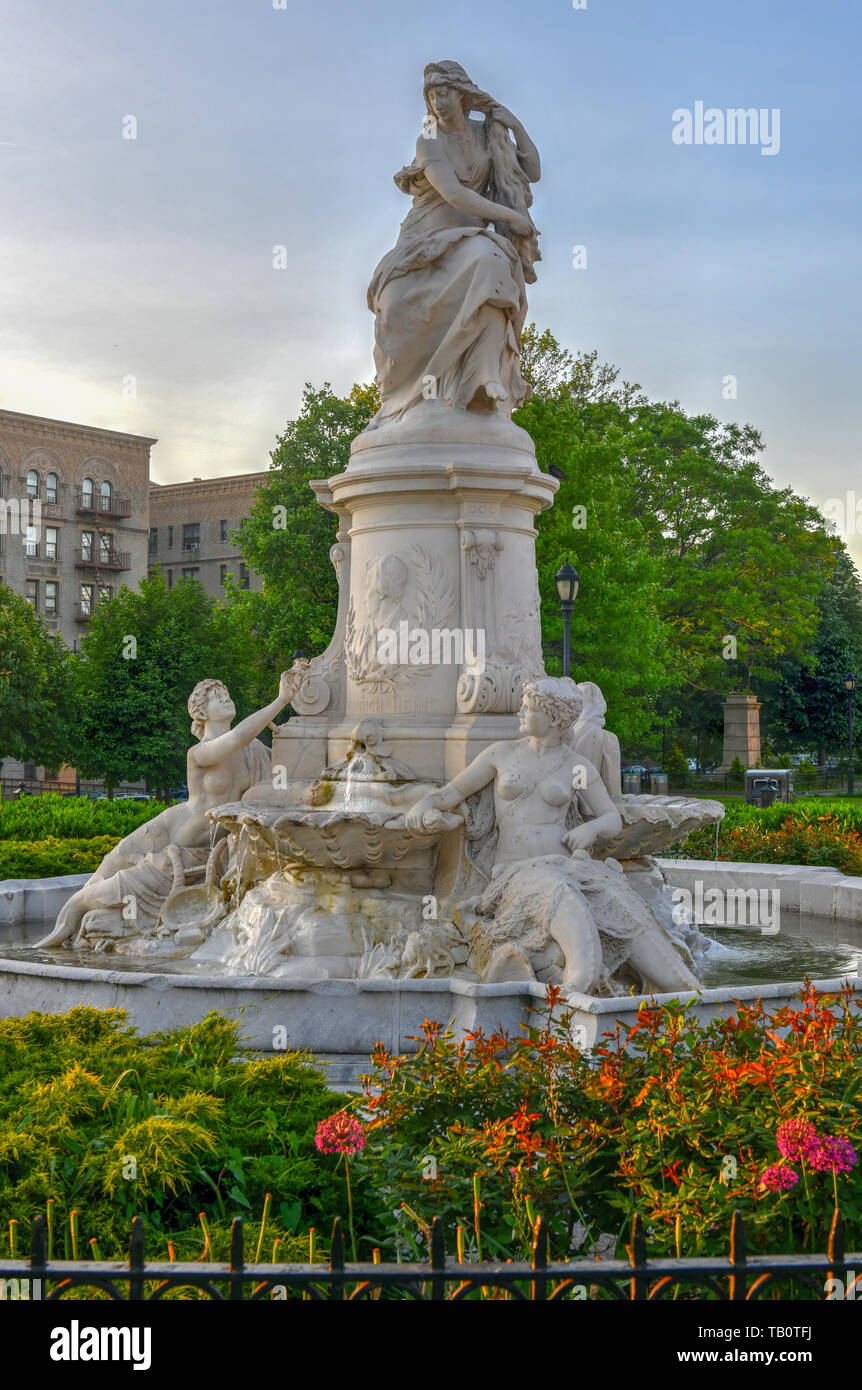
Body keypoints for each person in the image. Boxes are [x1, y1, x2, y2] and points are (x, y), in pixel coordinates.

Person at [399, 677, 700, 996]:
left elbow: (611, 818)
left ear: (554, 717)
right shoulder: (501, 754)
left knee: (622, 907)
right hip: (517, 873)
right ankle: (577, 985)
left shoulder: (576, 767)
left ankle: (689, 991)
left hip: (568, 867)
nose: (520, 713)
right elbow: (452, 792)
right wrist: (424, 805)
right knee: (559, 894)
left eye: (528, 708)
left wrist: (589, 828)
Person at [37, 663, 308, 951]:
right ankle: (68, 916)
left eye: (226, 694)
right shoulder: (199, 752)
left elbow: (290, 765)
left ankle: (80, 918)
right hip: (175, 833)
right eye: (217, 697)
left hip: (206, 844)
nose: (226, 698)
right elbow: (237, 737)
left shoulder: (253, 750)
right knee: (111, 869)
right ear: (202, 712)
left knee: (126, 884)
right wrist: (281, 700)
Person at [365, 59, 540, 429]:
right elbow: (455, 194)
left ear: (462, 95)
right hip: (425, 240)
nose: (437, 102)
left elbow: (534, 171)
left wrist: (515, 125)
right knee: (394, 304)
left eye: (444, 93)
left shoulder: (487, 135)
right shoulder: (429, 140)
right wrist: (509, 217)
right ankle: (401, 403)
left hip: (472, 241)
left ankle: (481, 379)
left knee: (491, 264)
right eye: (431, 96)